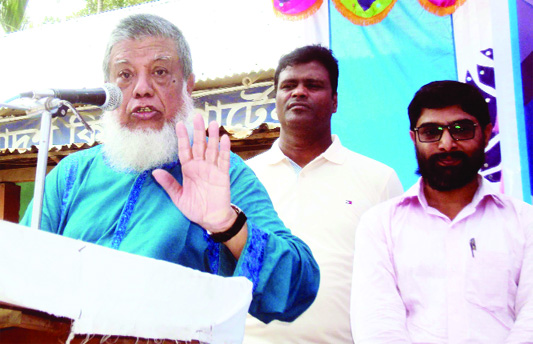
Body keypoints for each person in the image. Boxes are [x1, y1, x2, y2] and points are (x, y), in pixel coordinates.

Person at [21, 13, 320, 324]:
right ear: (107, 91)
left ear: (188, 86)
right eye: (124, 75)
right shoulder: (70, 175)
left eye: (160, 72)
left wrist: (227, 225)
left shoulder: (221, 171)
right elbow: (19, 275)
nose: (141, 89)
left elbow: (297, 289)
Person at [350, 80, 533, 343]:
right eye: (431, 131)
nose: (447, 144)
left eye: (461, 129)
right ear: (414, 138)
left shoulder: (525, 222)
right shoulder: (380, 226)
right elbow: (377, 323)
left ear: (487, 132)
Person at [244, 45, 403, 343]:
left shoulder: (380, 180)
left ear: (334, 102)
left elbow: (401, 282)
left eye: (313, 85)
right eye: (289, 85)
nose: (299, 92)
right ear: (276, 99)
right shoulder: (242, 179)